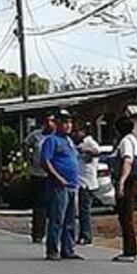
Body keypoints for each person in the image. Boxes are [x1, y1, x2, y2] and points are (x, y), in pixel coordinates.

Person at [39, 110, 82, 261]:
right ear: (57, 124)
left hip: (72, 185)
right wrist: (58, 177)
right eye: (65, 122)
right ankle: (52, 250)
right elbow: (45, 161)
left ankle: (68, 249)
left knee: (70, 220)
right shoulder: (51, 140)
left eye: (70, 122)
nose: (68, 125)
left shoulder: (69, 141)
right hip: (59, 185)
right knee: (57, 218)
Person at [112, 115, 137, 263]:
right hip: (135, 181)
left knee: (126, 217)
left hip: (129, 182)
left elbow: (127, 161)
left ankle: (129, 251)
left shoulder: (125, 142)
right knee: (126, 217)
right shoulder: (133, 140)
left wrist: (121, 182)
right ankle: (129, 250)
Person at [24, 113, 56, 243]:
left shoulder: (56, 136)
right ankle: (38, 232)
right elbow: (26, 144)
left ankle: (53, 233)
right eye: (47, 121)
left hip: (53, 175)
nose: (49, 123)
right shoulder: (36, 135)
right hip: (38, 174)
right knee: (39, 205)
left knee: (54, 205)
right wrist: (29, 157)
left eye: (52, 121)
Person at [73, 123, 101, 245]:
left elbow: (97, 151)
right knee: (80, 211)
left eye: (78, 131)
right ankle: (82, 235)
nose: (75, 134)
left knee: (85, 211)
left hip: (87, 183)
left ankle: (86, 236)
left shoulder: (89, 142)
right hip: (80, 182)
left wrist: (84, 150)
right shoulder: (78, 144)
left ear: (84, 132)